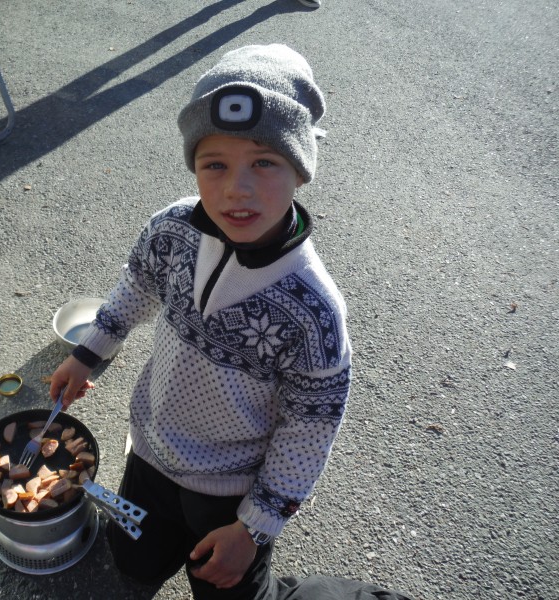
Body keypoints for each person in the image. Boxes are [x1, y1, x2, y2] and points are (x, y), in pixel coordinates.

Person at [51, 45, 402, 599]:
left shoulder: (313, 312)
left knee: (229, 590)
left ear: (301, 171)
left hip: (229, 491)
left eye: (265, 162)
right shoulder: (172, 229)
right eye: (214, 164)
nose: (237, 188)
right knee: (134, 564)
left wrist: (254, 527)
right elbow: (137, 286)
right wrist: (87, 352)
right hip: (150, 451)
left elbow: (308, 431)